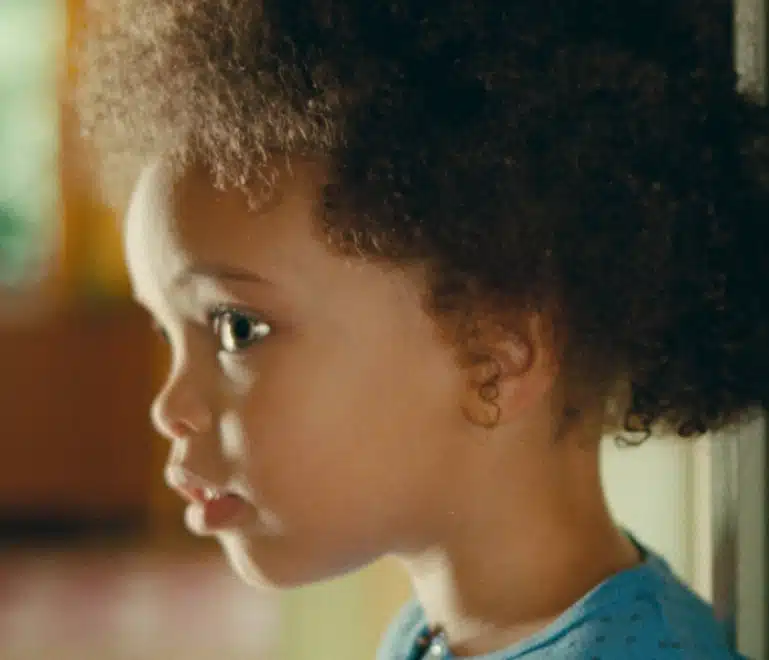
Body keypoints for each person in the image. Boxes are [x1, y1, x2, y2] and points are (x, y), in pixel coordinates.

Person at [76, 0, 768, 657]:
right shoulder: (431, 632)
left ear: (495, 350)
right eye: (170, 333)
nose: (170, 407)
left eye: (237, 329)